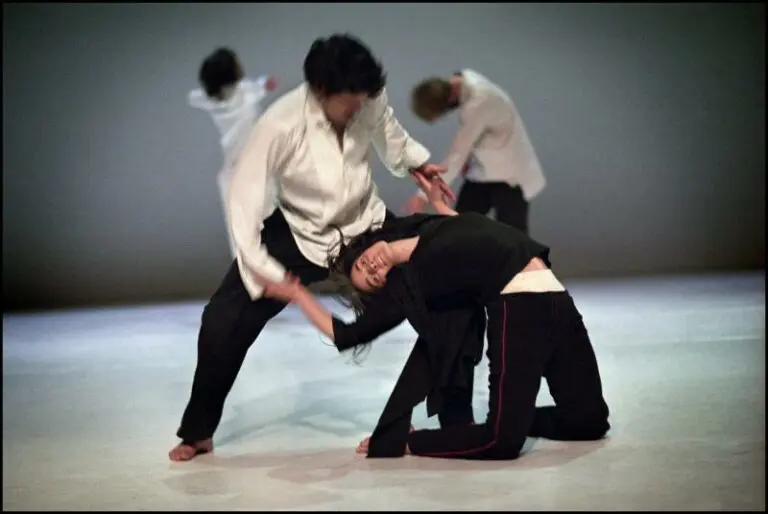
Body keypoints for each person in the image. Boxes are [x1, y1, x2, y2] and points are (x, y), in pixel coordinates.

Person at [168, 33, 456, 462]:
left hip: (365, 223)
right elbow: (243, 203)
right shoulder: (279, 124)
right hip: (300, 232)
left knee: (440, 296)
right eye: (349, 102)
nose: (359, 108)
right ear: (321, 90)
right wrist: (267, 271)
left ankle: (442, 421)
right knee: (221, 321)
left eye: (363, 99)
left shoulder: (366, 98)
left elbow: (387, 128)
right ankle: (197, 432)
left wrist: (414, 162)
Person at [261, 174, 611, 460]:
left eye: (363, 263)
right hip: (519, 306)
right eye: (372, 279)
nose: (372, 268)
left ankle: (510, 419)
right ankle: (415, 442)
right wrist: (300, 296)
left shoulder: (424, 227)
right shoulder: (414, 279)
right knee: (500, 442)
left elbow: (465, 229)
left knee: (589, 421)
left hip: (555, 295)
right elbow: (346, 335)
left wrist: (435, 200)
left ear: (366, 247)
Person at [404, 70, 546, 235]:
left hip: (509, 176)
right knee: (459, 228)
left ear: (448, 101)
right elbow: (479, 133)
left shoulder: (478, 103)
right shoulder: (465, 78)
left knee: (513, 237)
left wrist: (423, 194)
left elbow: (456, 156)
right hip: (481, 172)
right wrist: (469, 158)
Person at [188, 47, 279, 256]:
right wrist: (266, 83)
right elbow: (260, 86)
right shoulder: (243, 93)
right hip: (254, 169)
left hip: (235, 172)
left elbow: (194, 97)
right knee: (266, 221)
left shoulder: (212, 100)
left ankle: (252, 269)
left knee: (243, 230)